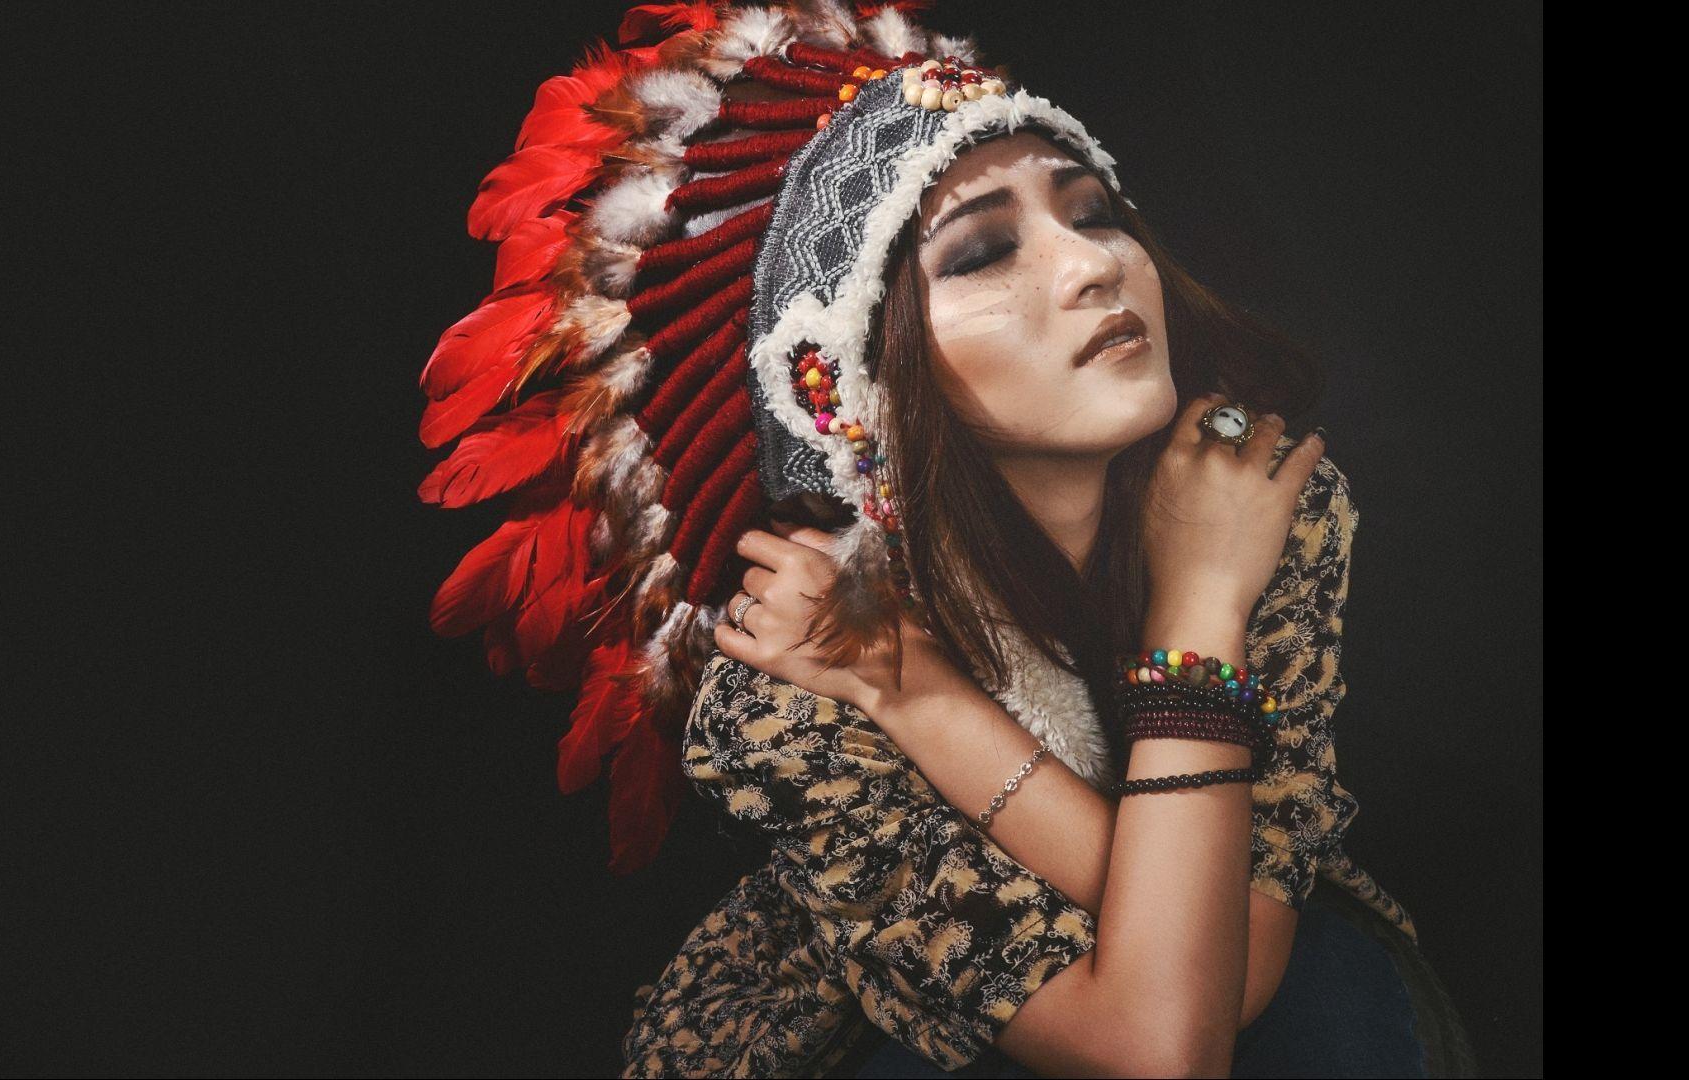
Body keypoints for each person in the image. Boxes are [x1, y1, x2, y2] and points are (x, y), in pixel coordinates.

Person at [417, 2, 1480, 1076]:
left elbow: (1222, 979)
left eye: (1095, 211)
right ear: (865, 371)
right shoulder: (794, 678)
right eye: (982, 253)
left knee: (1334, 1013)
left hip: (1229, 985)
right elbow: (1156, 1045)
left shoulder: (1249, 500)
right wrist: (905, 685)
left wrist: (1183, 601)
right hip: (868, 1036)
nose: (1091, 265)